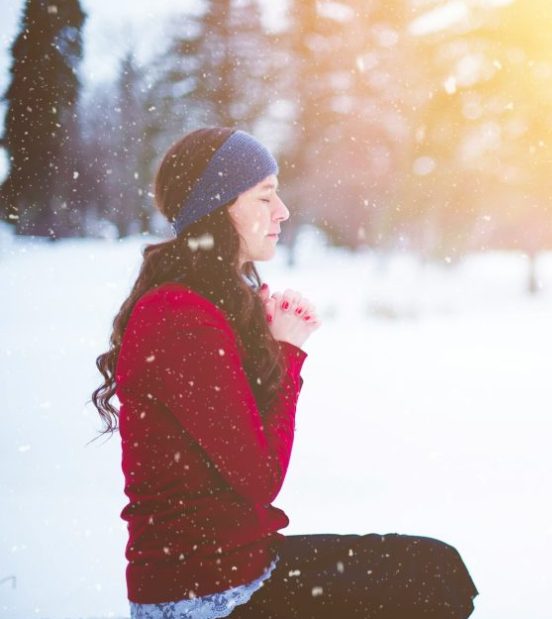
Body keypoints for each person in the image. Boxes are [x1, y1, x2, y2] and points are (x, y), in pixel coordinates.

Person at [90, 127, 479, 619]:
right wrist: (287, 351)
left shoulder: (206, 304)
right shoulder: (179, 316)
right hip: (205, 597)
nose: (283, 212)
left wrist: (267, 344)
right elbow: (260, 477)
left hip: (243, 569)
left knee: (436, 571)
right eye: (265, 197)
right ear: (220, 206)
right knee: (428, 583)